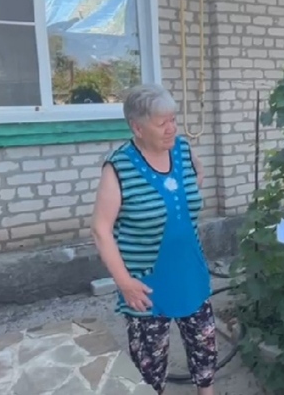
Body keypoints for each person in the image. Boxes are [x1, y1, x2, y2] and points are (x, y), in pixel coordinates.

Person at [91, 84, 216, 395]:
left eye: (173, 119)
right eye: (162, 123)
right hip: (146, 286)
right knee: (150, 369)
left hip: (191, 274)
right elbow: (101, 229)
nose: (172, 128)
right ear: (137, 127)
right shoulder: (118, 167)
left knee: (205, 354)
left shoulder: (183, 149)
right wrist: (124, 282)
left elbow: (195, 178)